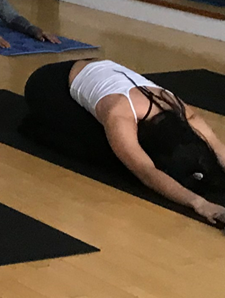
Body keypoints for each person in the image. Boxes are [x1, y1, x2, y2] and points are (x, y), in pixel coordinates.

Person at [21, 59, 225, 225]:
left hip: (101, 70)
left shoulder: (175, 105)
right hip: (49, 83)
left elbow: (216, 146)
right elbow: (146, 171)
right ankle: (35, 125)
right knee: (106, 154)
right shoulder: (119, 114)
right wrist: (199, 203)